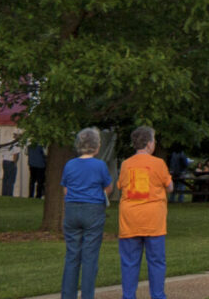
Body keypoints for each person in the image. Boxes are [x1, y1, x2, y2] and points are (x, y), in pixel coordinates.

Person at [117, 126, 173, 299]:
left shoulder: (126, 164)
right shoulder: (158, 163)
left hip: (129, 219)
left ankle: (128, 296)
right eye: (154, 140)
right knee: (156, 262)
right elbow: (169, 187)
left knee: (129, 263)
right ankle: (157, 296)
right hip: (153, 220)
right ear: (149, 144)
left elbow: (121, 186)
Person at [61, 127, 113, 299]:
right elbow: (108, 187)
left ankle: (68, 295)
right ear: (97, 146)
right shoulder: (100, 165)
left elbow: (65, 189)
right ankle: (87, 295)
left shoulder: (70, 164)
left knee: (72, 255)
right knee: (90, 257)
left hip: (72, 209)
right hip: (93, 209)